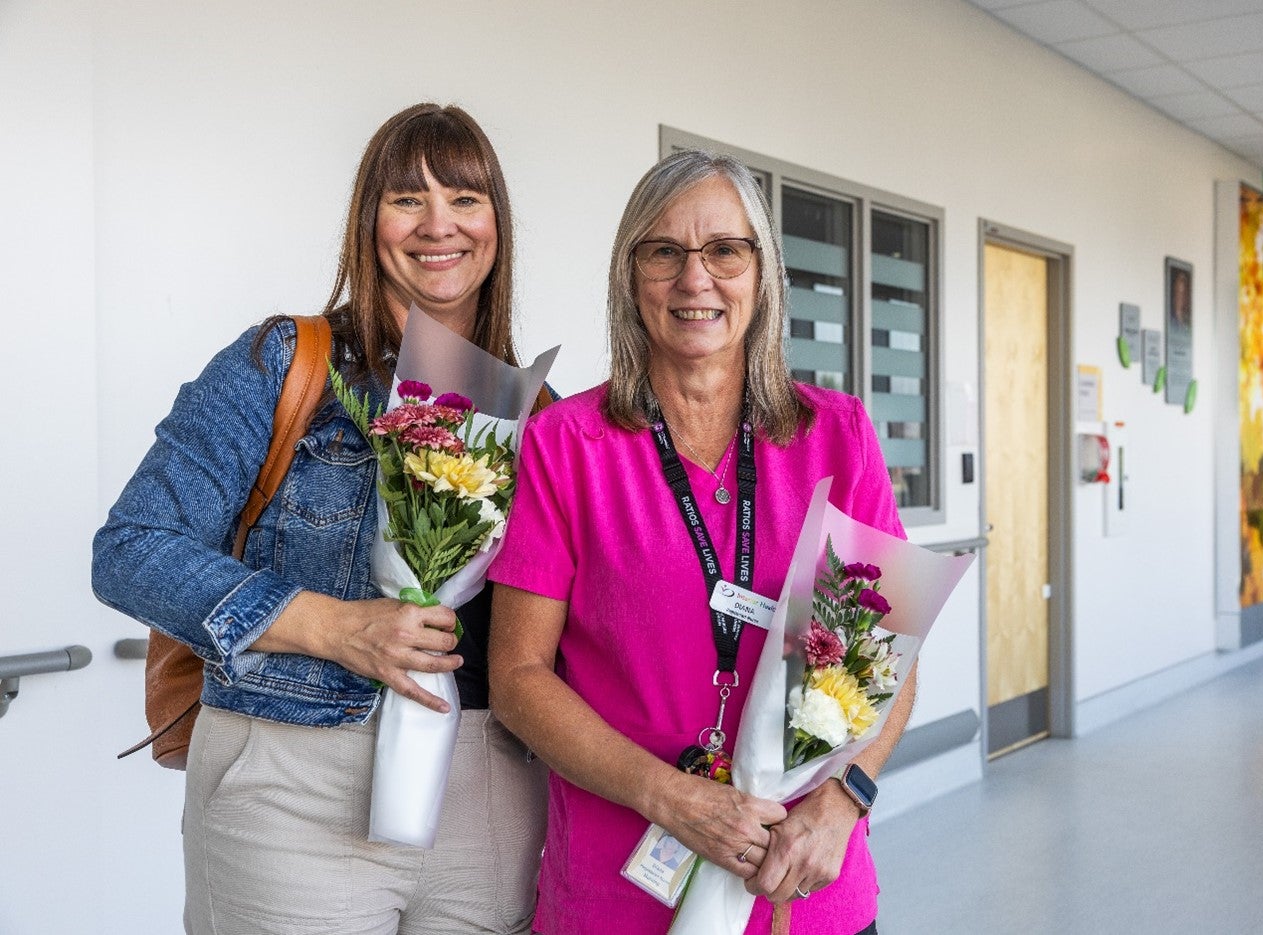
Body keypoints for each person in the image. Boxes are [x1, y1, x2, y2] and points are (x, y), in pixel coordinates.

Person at [92, 103, 547, 935]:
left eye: (465, 198)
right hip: (293, 782)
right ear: (367, 221)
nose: (437, 223)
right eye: (407, 198)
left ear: (497, 223)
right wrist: (335, 627)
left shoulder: (541, 411)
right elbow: (130, 548)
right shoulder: (283, 363)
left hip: (494, 793)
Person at [488, 150, 912, 935]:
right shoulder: (565, 444)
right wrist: (673, 796)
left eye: (724, 249)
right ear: (630, 277)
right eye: (663, 252)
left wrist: (843, 796)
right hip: (618, 890)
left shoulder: (839, 435)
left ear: (762, 273)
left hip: (803, 885)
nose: (695, 279)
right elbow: (516, 676)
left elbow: (890, 660)